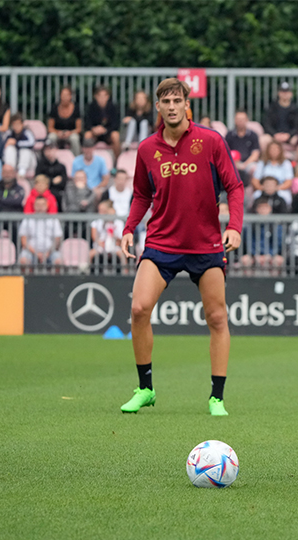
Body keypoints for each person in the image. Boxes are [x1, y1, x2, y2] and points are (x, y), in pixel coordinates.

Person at [119, 77, 244, 416]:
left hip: (205, 245)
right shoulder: (147, 149)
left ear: (187, 105)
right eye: (166, 101)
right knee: (139, 309)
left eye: (178, 101)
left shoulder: (211, 141)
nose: (172, 106)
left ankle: (216, 397)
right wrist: (129, 228)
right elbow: (142, 194)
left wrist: (234, 227)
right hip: (162, 242)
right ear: (158, 107)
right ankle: (145, 389)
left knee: (217, 317)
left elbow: (234, 187)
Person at [18, 196, 63, 266]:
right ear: (34, 206)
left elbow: (57, 240)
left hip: (50, 251)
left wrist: (47, 253)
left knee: (58, 261)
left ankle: (56, 277)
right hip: (31, 251)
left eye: (42, 205)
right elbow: (24, 241)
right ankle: (27, 277)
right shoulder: (27, 219)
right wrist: (36, 253)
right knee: (23, 260)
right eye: (38, 205)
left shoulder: (54, 220)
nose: (40, 207)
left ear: (47, 206)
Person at [251, 141, 294, 205]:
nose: (274, 151)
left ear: (280, 151)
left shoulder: (286, 163)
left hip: (279, 189)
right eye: (272, 149)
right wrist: (263, 188)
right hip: (264, 189)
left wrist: (276, 188)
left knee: (286, 197)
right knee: (256, 195)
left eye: (276, 149)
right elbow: (255, 180)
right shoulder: (262, 163)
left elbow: (289, 181)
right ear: (268, 150)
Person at [83, 85, 122, 158]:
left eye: (104, 96)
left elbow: (116, 124)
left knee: (115, 135)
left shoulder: (113, 107)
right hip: (95, 134)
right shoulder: (90, 107)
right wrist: (93, 129)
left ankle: (117, 161)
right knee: (87, 135)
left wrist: (106, 130)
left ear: (108, 97)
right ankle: (86, 159)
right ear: (95, 96)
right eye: (100, 96)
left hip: (108, 133)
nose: (102, 98)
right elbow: (86, 123)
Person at [225, 109, 261, 185]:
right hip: (233, 163)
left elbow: (255, 154)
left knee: (256, 169)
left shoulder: (253, 135)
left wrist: (245, 164)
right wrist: (235, 163)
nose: (240, 121)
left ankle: (252, 192)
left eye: (242, 119)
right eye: (238, 119)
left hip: (249, 163)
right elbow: (225, 153)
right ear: (234, 120)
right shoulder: (229, 135)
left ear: (247, 120)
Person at [90, 199, 126, 266]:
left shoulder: (118, 222)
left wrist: (115, 239)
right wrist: (100, 243)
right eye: (99, 210)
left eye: (103, 211)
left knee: (122, 254)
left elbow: (120, 239)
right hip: (100, 246)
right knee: (90, 254)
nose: (100, 213)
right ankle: (87, 272)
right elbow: (94, 236)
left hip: (114, 245)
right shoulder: (96, 222)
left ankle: (126, 272)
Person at [47, 86, 82, 155]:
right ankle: (51, 157)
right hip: (57, 133)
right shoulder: (54, 108)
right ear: (60, 96)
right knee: (51, 137)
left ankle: (76, 158)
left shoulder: (76, 108)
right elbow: (50, 128)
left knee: (74, 138)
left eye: (67, 95)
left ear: (71, 96)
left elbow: (79, 129)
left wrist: (70, 133)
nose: (65, 97)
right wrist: (58, 132)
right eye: (63, 95)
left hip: (71, 133)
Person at [35, 139, 69, 206]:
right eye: (46, 149)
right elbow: (38, 181)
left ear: (56, 150)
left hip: (58, 193)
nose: (49, 152)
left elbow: (63, 183)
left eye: (51, 149)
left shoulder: (61, 167)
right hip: (43, 193)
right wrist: (53, 181)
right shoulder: (40, 166)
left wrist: (47, 180)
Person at [3, 113, 37, 179]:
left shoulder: (27, 132)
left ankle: (22, 172)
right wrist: (8, 143)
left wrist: (16, 143)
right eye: (14, 124)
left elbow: (32, 143)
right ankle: (10, 170)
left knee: (25, 150)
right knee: (9, 148)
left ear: (22, 124)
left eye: (18, 124)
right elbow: (4, 144)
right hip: (15, 161)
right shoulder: (9, 133)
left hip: (28, 162)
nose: (16, 126)